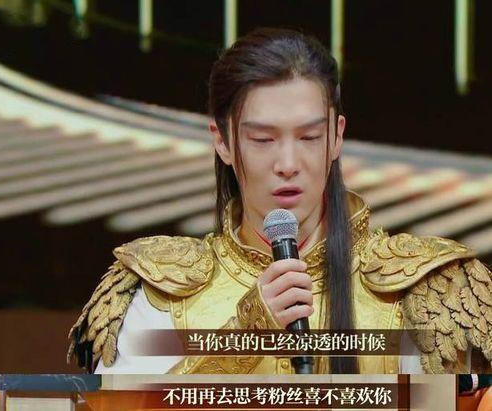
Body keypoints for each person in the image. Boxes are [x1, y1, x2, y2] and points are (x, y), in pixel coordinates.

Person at [67, 27, 492, 375]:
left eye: (309, 137)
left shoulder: (424, 290)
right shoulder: (159, 290)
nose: (288, 164)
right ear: (223, 141)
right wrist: (247, 332)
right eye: (263, 139)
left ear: (337, 136)